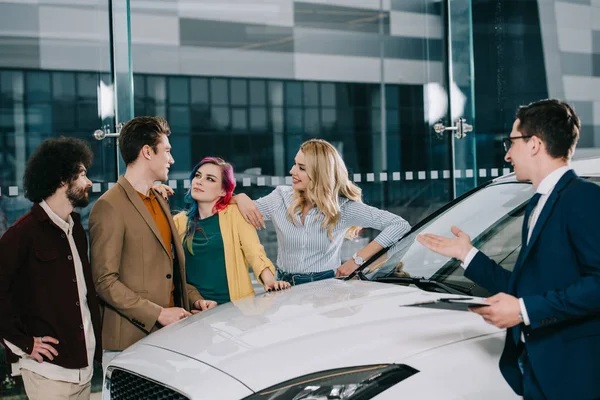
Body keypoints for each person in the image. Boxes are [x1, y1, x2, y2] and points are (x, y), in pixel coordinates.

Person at [417, 99, 600, 400]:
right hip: (536, 371)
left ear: (534, 145)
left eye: (511, 142)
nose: (506, 155)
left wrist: (524, 311)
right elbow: (525, 287)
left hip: (574, 376)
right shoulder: (536, 205)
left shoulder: (584, 198)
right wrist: (467, 254)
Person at [88, 117, 211, 372]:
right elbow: (104, 282)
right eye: (167, 150)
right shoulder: (109, 206)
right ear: (147, 151)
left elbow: (165, 271)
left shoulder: (159, 198)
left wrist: (195, 300)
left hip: (168, 340)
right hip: (129, 343)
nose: (172, 159)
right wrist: (158, 313)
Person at [0, 137, 102, 400]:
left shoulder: (76, 228)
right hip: (48, 373)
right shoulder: (21, 234)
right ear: (61, 181)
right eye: (81, 174)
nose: (89, 182)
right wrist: (25, 344)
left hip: (85, 369)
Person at [235, 139, 411, 285]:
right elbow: (238, 211)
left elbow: (400, 225)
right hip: (282, 285)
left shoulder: (343, 208)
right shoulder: (280, 197)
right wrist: (239, 197)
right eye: (295, 164)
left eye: (302, 168)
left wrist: (357, 261)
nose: (292, 171)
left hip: (325, 286)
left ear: (320, 174)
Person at [172, 157, 290, 304]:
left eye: (210, 179)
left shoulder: (235, 214)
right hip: (195, 310)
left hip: (234, 309)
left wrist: (270, 281)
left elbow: (254, 252)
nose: (199, 181)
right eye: (197, 175)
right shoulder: (178, 222)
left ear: (222, 190)